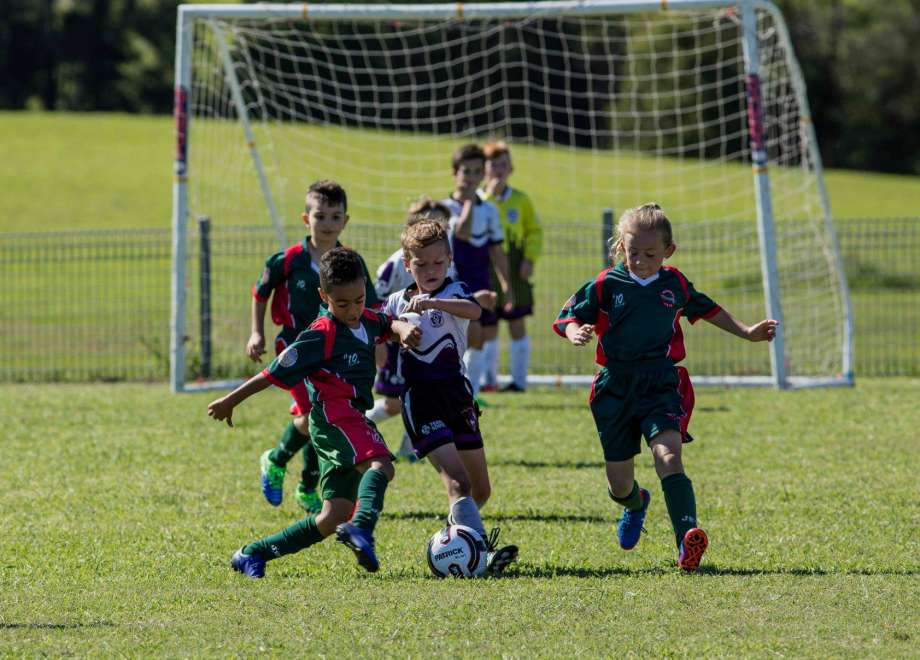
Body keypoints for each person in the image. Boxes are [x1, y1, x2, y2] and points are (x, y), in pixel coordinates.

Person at [553, 203, 777, 571]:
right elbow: (568, 315)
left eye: (650, 254)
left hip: (661, 382)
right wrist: (575, 332)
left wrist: (748, 332)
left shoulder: (675, 283)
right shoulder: (606, 283)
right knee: (619, 484)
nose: (640, 261)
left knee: (669, 457)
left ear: (668, 251)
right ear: (621, 247)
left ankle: (686, 542)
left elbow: (708, 309)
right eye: (632, 252)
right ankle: (636, 503)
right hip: (615, 387)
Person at [210, 247, 405, 577]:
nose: (353, 310)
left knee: (332, 517)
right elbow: (271, 373)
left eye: (359, 300)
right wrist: (231, 400)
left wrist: (404, 330)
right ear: (323, 296)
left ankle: (252, 554)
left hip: (348, 419)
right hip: (335, 418)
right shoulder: (321, 334)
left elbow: (388, 323)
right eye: (342, 303)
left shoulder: (367, 320)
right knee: (381, 465)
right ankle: (362, 528)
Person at [384, 219, 519, 575]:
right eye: (421, 264)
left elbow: (474, 311)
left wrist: (434, 303)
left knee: (480, 490)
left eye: (438, 262)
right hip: (421, 400)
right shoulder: (397, 302)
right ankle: (481, 556)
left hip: (458, 397)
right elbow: (380, 325)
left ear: (449, 260)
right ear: (407, 264)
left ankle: (454, 538)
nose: (430, 270)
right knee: (458, 483)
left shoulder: (455, 291)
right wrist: (400, 327)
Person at [246, 180, 379, 512]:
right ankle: (277, 461)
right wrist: (256, 333)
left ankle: (306, 485)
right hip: (295, 347)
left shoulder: (351, 263)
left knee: (321, 418)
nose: (328, 224)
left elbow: (371, 306)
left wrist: (380, 343)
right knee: (310, 417)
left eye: (335, 217)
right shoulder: (287, 260)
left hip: (334, 354)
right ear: (307, 219)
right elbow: (260, 295)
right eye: (320, 216)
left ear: (345, 221)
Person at [441, 144, 513, 398]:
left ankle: (471, 394)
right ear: (455, 173)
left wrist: (506, 284)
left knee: (481, 337)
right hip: (452, 283)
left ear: (483, 174)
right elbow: (461, 233)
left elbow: (497, 250)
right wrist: (470, 203)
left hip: (480, 280)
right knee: (460, 337)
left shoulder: (489, 210)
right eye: (466, 171)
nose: (471, 177)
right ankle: (457, 390)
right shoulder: (444, 209)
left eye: (476, 171)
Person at [479, 140, 543, 393]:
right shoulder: (479, 200)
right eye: (493, 164)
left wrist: (529, 258)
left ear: (511, 169)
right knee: (488, 326)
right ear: (484, 169)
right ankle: (488, 381)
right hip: (486, 267)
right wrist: (490, 196)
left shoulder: (521, 200)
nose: (498, 169)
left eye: (503, 164)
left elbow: (534, 231)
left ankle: (519, 382)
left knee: (517, 322)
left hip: (515, 267)